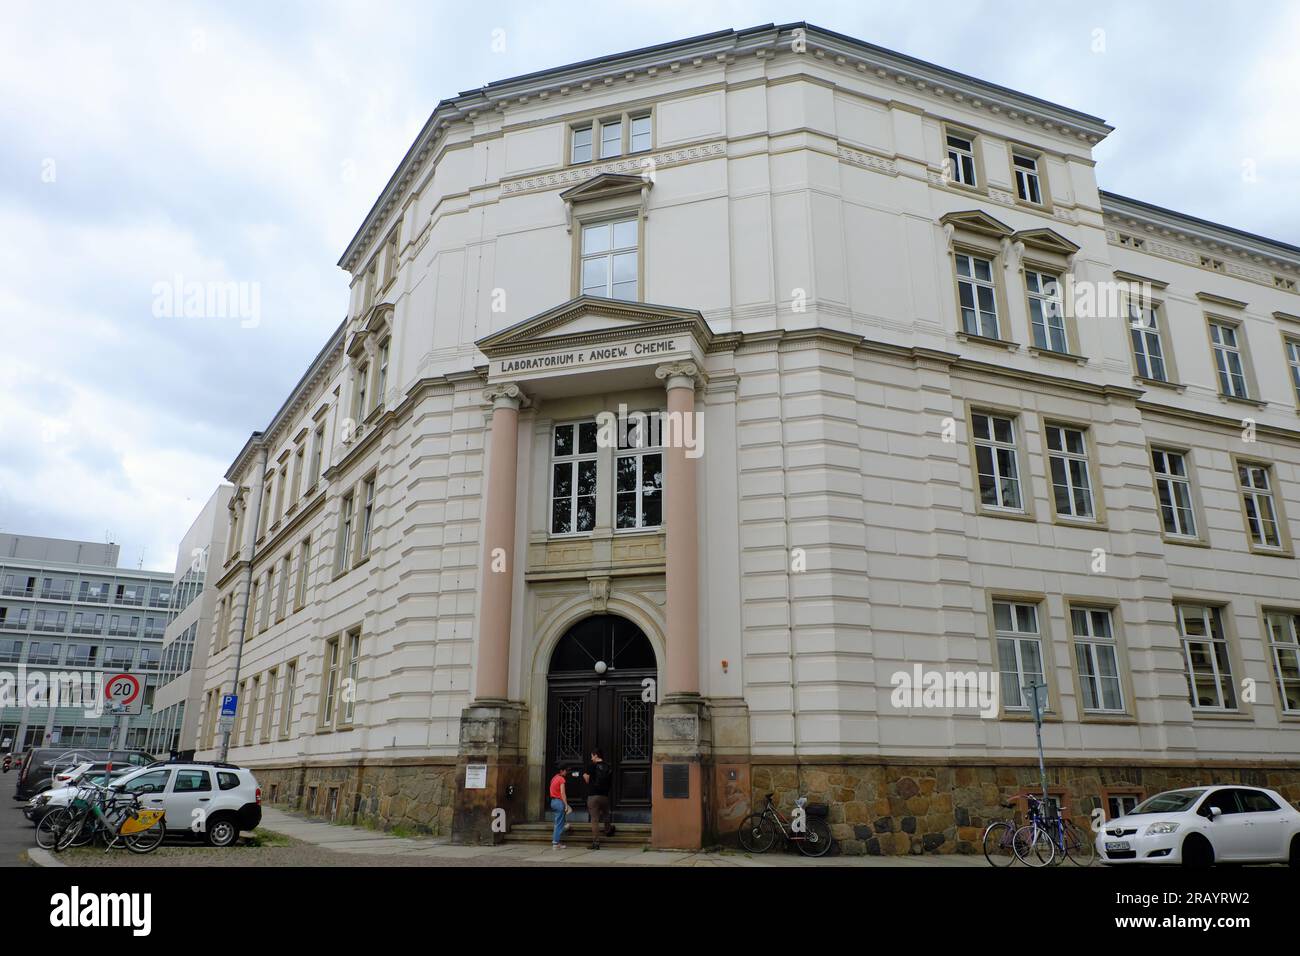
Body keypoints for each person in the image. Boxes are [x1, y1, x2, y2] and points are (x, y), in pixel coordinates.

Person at [582, 749, 614, 849]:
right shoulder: (608, 766)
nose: (591, 758)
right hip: (604, 795)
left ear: (596, 755)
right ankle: (608, 830)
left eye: (592, 756)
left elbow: (587, 779)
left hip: (593, 796)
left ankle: (596, 843)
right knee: (606, 814)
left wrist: (585, 776)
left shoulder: (591, 765)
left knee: (594, 819)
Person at [548, 765, 571, 849]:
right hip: (559, 802)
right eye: (565, 771)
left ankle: (563, 830)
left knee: (558, 822)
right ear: (562, 771)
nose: (566, 772)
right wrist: (566, 805)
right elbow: (562, 793)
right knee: (558, 823)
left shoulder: (554, 778)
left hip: (553, 801)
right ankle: (556, 842)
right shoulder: (561, 779)